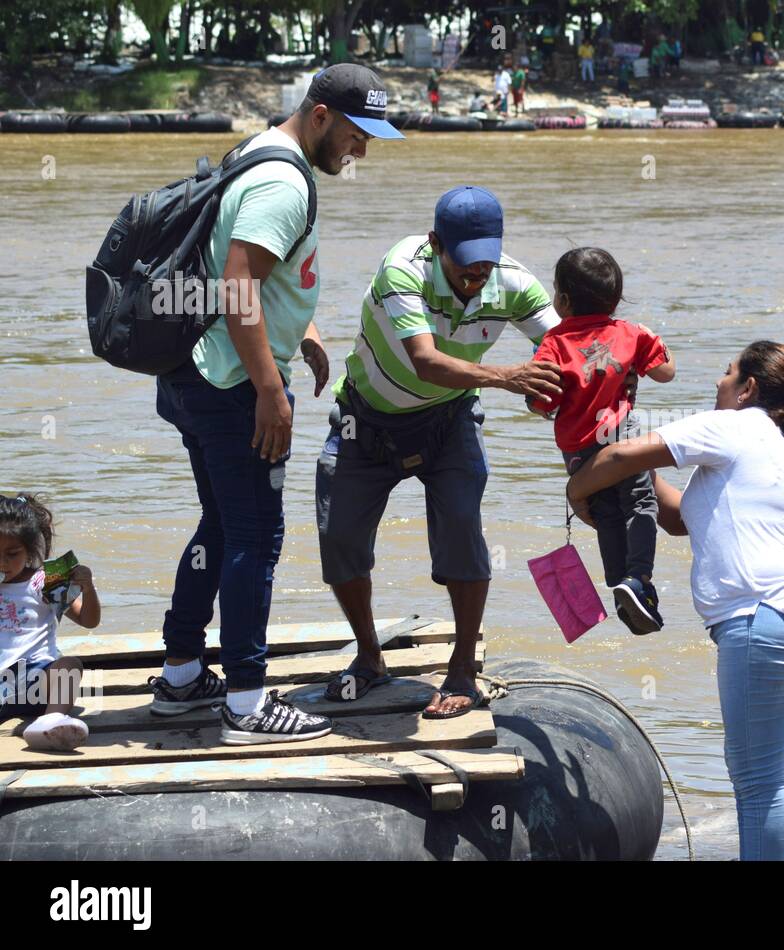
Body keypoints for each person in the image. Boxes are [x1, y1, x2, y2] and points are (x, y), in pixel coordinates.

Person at [151, 64, 403, 746]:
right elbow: (238, 284)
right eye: (356, 134)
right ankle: (247, 704)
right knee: (257, 537)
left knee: (224, 526)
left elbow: (250, 268)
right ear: (320, 115)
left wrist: (304, 330)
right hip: (233, 385)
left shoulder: (256, 151)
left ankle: (180, 678)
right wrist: (269, 387)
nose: (362, 151)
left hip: (196, 371)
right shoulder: (283, 181)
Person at [566, 341, 784, 861]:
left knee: (758, 785)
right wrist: (631, 469)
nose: (718, 380)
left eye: (726, 372)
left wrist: (578, 490)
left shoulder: (737, 425)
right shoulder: (766, 440)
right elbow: (680, 517)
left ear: (748, 389)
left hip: (761, 619)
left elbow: (620, 455)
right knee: (763, 779)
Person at [316, 186, 562, 717]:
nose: (476, 278)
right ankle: (369, 657)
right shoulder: (402, 270)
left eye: (485, 266)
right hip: (368, 420)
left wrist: (594, 373)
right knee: (339, 538)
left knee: (460, 529)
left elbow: (565, 346)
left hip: (448, 422)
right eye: (464, 266)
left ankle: (462, 667)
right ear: (435, 245)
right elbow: (425, 361)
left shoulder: (513, 283)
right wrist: (509, 376)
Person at [527, 248, 676, 634]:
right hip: (620, 436)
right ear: (615, 299)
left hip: (578, 449)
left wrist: (544, 402)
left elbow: (541, 403)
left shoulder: (553, 344)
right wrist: (653, 342)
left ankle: (621, 593)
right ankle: (638, 580)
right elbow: (666, 373)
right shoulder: (629, 333)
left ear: (561, 300)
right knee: (640, 502)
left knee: (607, 513)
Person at [0, 494, 100, 751]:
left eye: (12, 554)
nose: (3, 563)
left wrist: (88, 589)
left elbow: (89, 620)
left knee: (69, 665)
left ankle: (51, 720)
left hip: (37, 682)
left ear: (31, 548)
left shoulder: (47, 580)